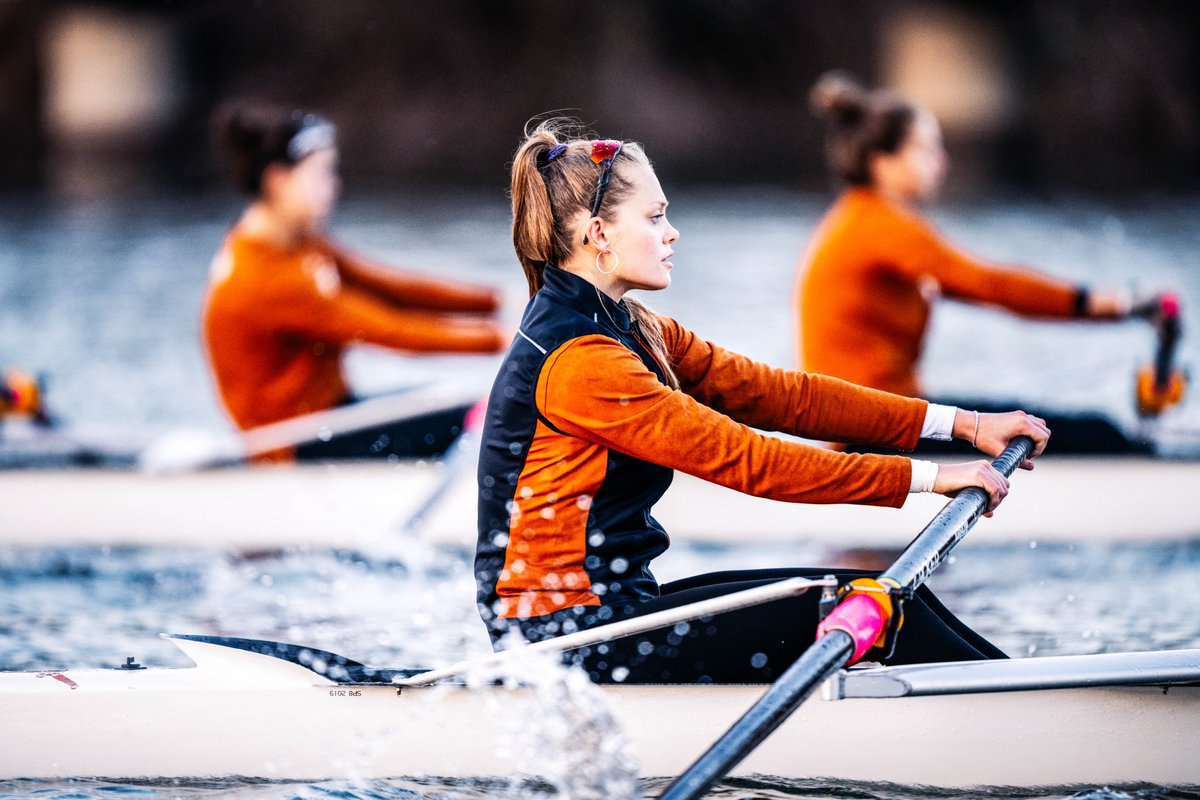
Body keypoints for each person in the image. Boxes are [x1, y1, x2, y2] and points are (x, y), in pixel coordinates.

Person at [473, 119, 1051, 685]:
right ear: (598, 234)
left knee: (892, 602)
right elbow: (752, 461)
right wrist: (927, 479)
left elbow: (782, 397)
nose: (672, 232)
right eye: (655, 218)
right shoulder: (582, 363)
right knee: (879, 611)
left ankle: (1034, 693)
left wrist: (964, 425)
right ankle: (1046, 715)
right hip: (561, 643)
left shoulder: (633, 327)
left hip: (611, 614)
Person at [797, 72, 1163, 416]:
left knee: (1053, 424)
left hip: (885, 419)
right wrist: (1118, 304)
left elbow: (983, 290)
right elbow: (991, 285)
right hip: (875, 431)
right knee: (1096, 433)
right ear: (882, 163)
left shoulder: (859, 219)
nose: (942, 161)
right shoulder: (880, 225)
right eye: (926, 149)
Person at [203, 104, 506, 460]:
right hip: (293, 445)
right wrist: (505, 340)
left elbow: (391, 289)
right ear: (278, 180)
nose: (334, 186)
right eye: (321, 175)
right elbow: (391, 331)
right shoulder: (266, 278)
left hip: (331, 416)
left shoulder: (296, 242)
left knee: (464, 400)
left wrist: (498, 302)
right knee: (486, 413)